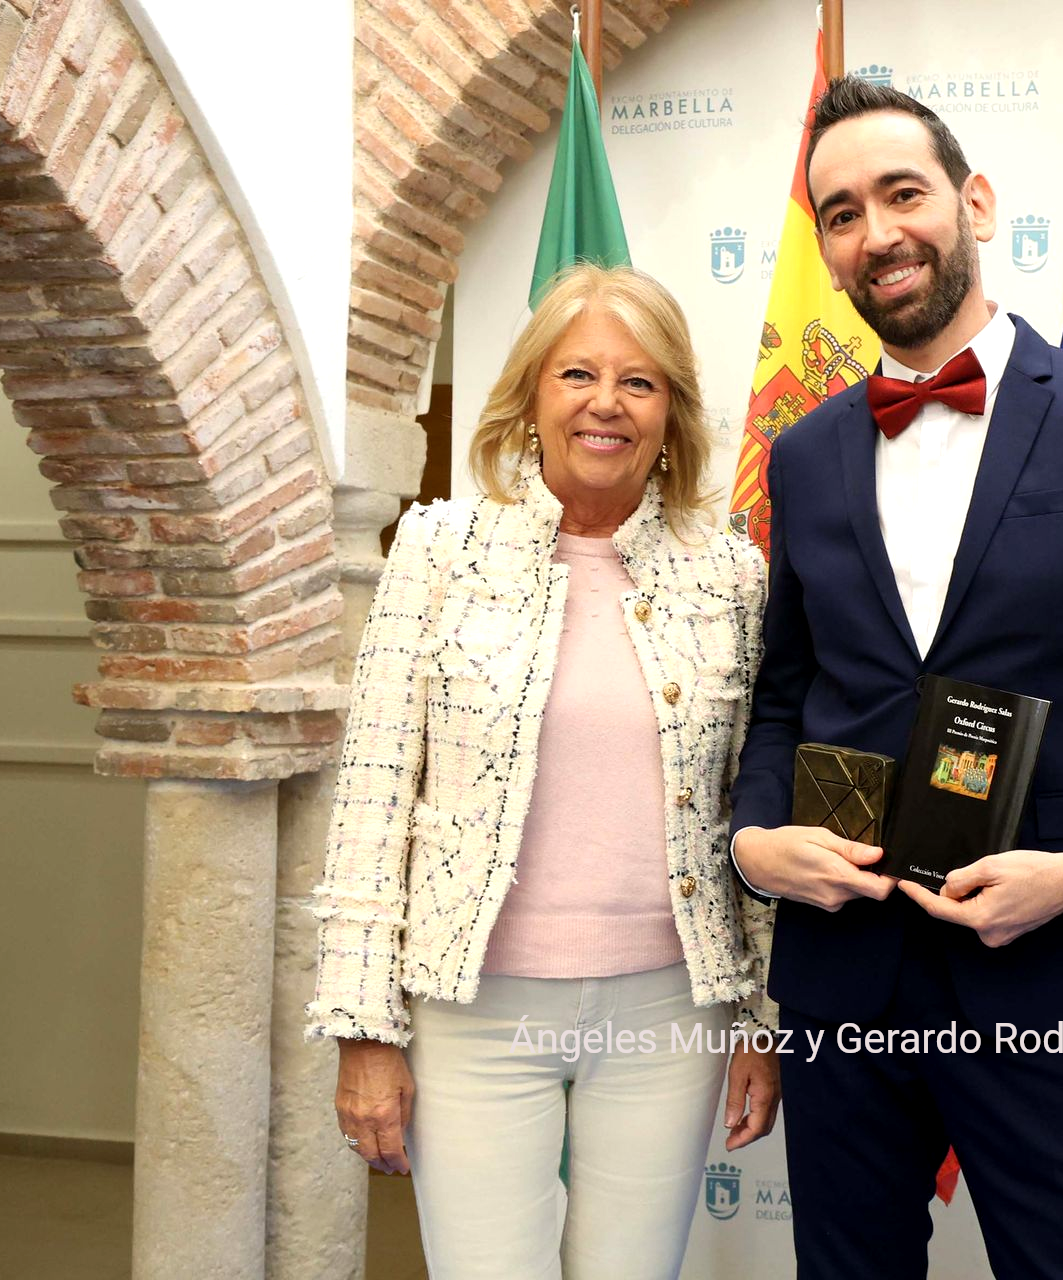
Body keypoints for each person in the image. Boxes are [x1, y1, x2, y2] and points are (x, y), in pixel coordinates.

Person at [729, 79, 1063, 1280]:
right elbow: (782, 698)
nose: (876, 232)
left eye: (902, 194)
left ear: (973, 202)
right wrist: (755, 839)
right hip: (842, 975)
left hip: (1043, 968)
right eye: (841, 213)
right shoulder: (805, 455)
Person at [304, 263, 778, 1280]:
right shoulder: (436, 549)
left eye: (640, 381)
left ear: (671, 413)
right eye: (578, 373)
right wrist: (362, 1030)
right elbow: (372, 799)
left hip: (670, 1010)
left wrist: (761, 1019)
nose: (607, 402)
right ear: (531, 395)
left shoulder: (732, 573)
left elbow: (752, 807)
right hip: (472, 1012)